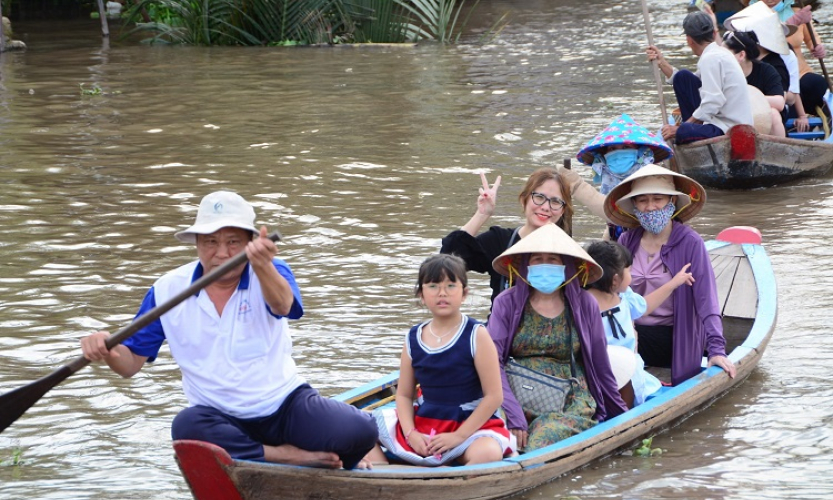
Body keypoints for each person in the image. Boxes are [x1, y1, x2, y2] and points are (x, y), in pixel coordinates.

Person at [79, 191, 378, 470]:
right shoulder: (167, 289)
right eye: (210, 242)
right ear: (197, 244)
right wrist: (107, 349)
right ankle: (288, 456)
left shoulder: (271, 271)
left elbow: (284, 305)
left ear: (250, 243)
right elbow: (130, 364)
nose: (221, 254)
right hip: (217, 416)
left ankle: (296, 459)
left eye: (233, 242)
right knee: (186, 428)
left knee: (360, 431)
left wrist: (262, 266)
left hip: (283, 405)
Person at [488, 223, 628, 451]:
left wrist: (621, 419)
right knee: (489, 439)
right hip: (513, 395)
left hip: (568, 400)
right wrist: (513, 415)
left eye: (552, 259)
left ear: (566, 265)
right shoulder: (506, 302)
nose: (544, 265)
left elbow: (601, 365)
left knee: (542, 439)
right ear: (525, 265)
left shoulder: (585, 303)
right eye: (536, 259)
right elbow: (492, 362)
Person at [365, 254, 514, 466]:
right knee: (360, 431)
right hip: (425, 424)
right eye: (433, 286)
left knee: (488, 453)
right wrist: (411, 434)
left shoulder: (477, 335)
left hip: (470, 426)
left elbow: (493, 397)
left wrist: (458, 437)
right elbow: (405, 395)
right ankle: (387, 477)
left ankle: (448, 479)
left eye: (451, 285)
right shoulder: (413, 337)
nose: (442, 293)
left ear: (464, 293)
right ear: (421, 294)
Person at [603, 164, 737, 385]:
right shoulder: (627, 241)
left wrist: (716, 349)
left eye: (658, 199)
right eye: (643, 200)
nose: (650, 207)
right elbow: (613, 294)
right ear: (634, 205)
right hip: (632, 332)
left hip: (673, 337)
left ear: (671, 202)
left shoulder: (690, 242)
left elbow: (707, 300)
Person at [583, 240, 695, 406]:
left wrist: (674, 283)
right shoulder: (582, 304)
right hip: (600, 373)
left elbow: (645, 306)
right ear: (615, 280)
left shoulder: (624, 296)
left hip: (630, 369)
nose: (632, 274)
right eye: (629, 270)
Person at [440, 168, 573, 307]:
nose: (546, 207)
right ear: (524, 200)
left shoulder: (571, 253)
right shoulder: (500, 241)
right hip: (500, 327)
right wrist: (482, 214)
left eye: (555, 201)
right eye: (539, 197)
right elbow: (446, 263)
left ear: (563, 210)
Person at [646, 11, 754, 145]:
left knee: (684, 130)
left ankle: (688, 129)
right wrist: (661, 62)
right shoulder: (717, 53)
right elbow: (686, 82)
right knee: (683, 77)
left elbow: (713, 101)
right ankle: (690, 127)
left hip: (728, 128)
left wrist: (680, 128)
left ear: (689, 40)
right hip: (717, 121)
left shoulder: (711, 58)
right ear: (714, 34)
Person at [571, 114, 673, 241]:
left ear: (640, 151)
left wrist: (576, 185)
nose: (619, 153)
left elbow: (613, 211)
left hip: (648, 238)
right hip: (618, 235)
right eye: (613, 148)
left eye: (626, 147)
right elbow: (610, 217)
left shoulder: (652, 176)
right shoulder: (608, 177)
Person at [722, 30, 787, 136]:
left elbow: (779, 102)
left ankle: (779, 151)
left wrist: (748, 98)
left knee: (773, 113)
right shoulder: (722, 73)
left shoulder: (766, 70)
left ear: (741, 55)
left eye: (725, 54)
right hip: (733, 119)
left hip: (763, 122)